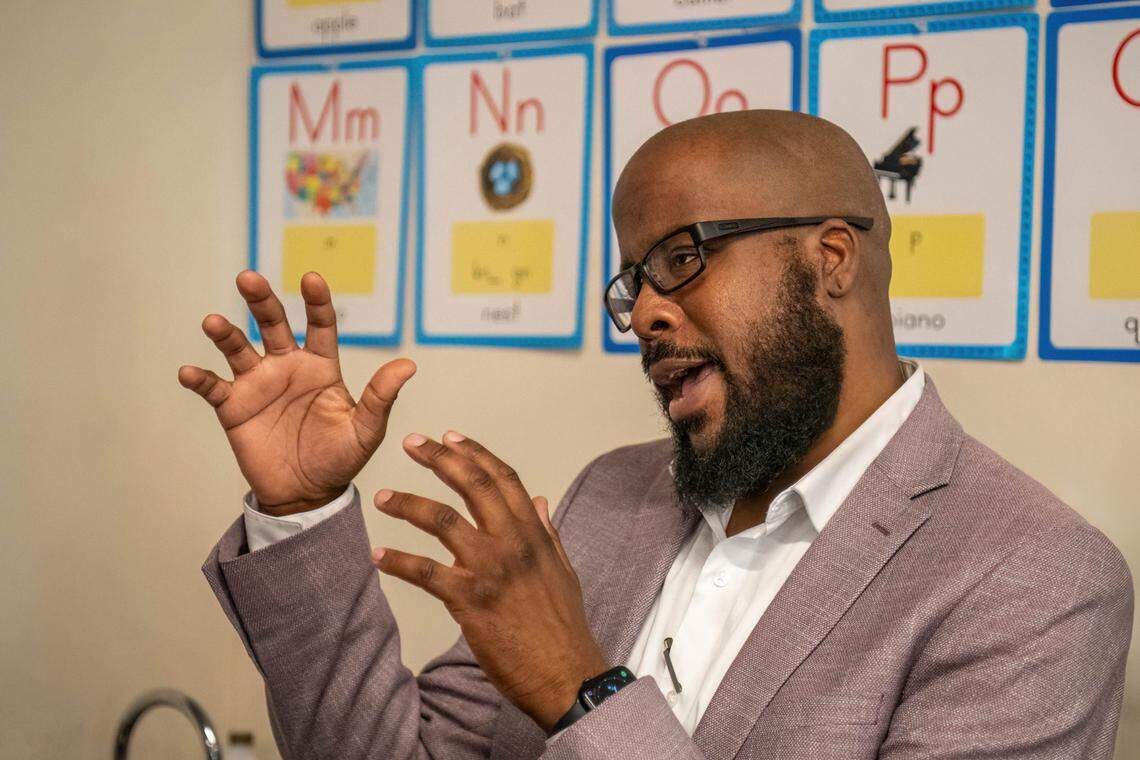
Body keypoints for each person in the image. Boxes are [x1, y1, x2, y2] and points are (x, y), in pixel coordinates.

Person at [180, 110, 1133, 760]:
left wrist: (582, 692)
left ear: (831, 257)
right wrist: (300, 511)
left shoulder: (1036, 582)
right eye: (633, 281)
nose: (642, 315)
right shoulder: (612, 497)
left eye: (683, 258)